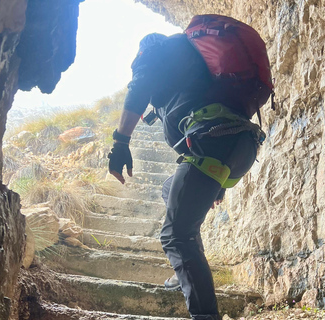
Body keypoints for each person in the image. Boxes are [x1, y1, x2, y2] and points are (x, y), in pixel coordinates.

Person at [108, 27, 266, 320]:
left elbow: (139, 88)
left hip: (212, 140)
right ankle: (187, 275)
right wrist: (216, 185)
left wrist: (121, 142)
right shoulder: (196, 63)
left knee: (175, 235)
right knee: (171, 190)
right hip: (240, 144)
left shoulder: (154, 50)